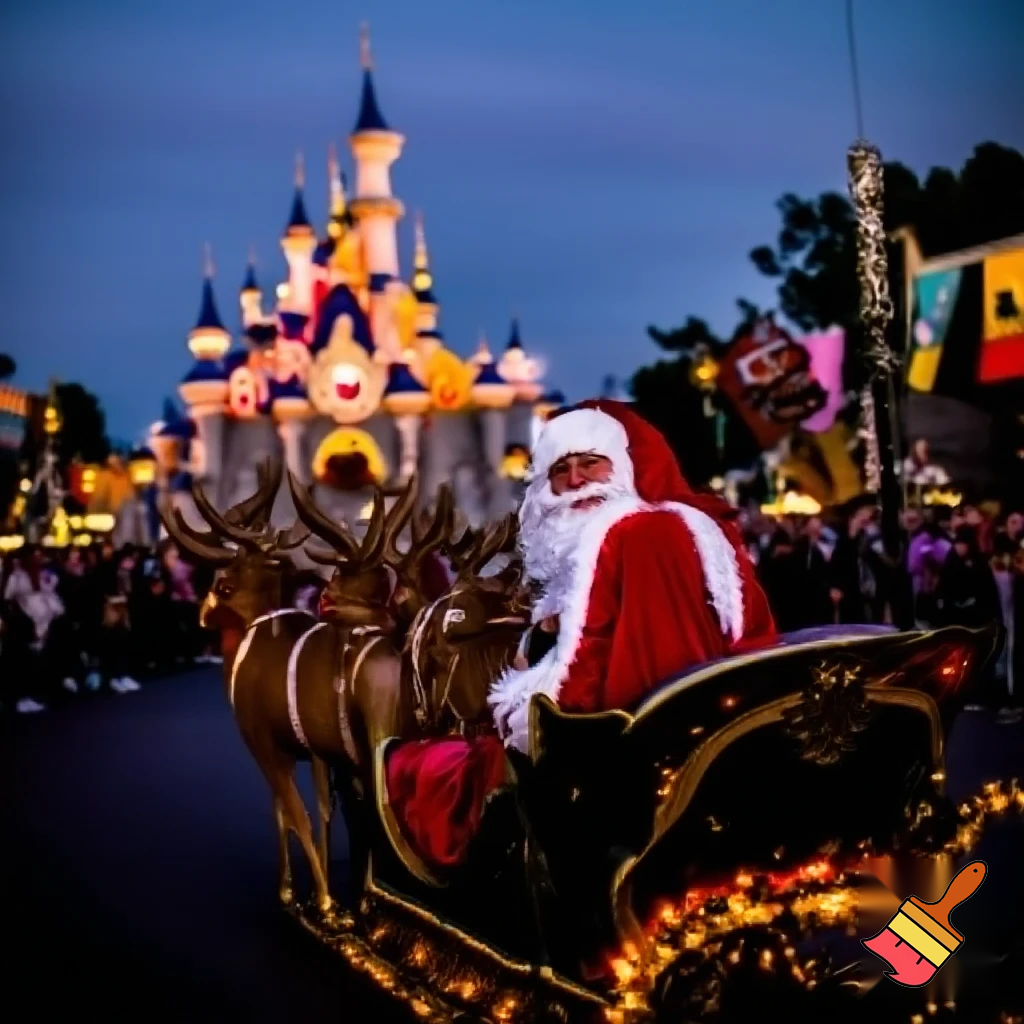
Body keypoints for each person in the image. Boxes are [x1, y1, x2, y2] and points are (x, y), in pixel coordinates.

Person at [489, 399, 777, 752]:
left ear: (622, 466)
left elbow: (616, 674)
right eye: (560, 469)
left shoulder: (639, 534)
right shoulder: (605, 544)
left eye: (591, 463)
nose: (576, 480)